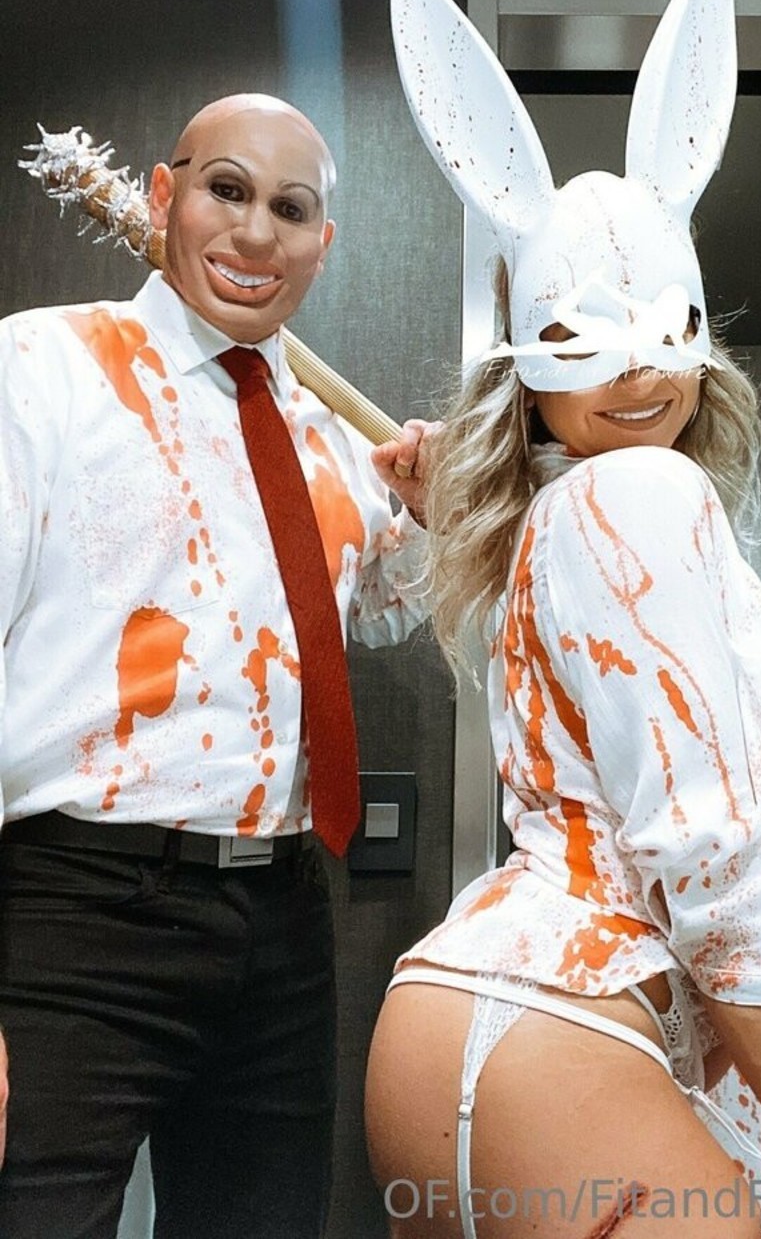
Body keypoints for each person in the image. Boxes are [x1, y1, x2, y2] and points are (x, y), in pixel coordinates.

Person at [363, 0, 761, 1239]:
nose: (634, 371)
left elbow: (691, 818)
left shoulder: (564, 522)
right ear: (529, 372)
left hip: (474, 1023)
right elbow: (715, 862)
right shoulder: (643, 496)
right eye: (579, 340)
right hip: (573, 1033)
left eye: (660, 330)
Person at [0, 94, 434, 1238]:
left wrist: (441, 513)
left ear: (322, 242)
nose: (254, 232)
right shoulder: (38, 369)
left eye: (289, 209)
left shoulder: (329, 436)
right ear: (163, 195)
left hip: (283, 915)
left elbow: (380, 615)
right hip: (73, 906)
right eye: (226, 190)